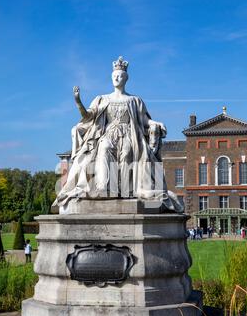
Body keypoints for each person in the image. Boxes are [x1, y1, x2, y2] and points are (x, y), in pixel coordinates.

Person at [54, 56, 183, 213]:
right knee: (104, 147)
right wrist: (78, 102)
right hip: (108, 135)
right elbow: (88, 116)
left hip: (129, 135)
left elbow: (143, 120)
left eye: (120, 75)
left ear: (126, 78)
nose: (117, 77)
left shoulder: (134, 100)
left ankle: (124, 191)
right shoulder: (103, 99)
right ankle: (103, 187)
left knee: (128, 151)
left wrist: (154, 123)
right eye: (114, 75)